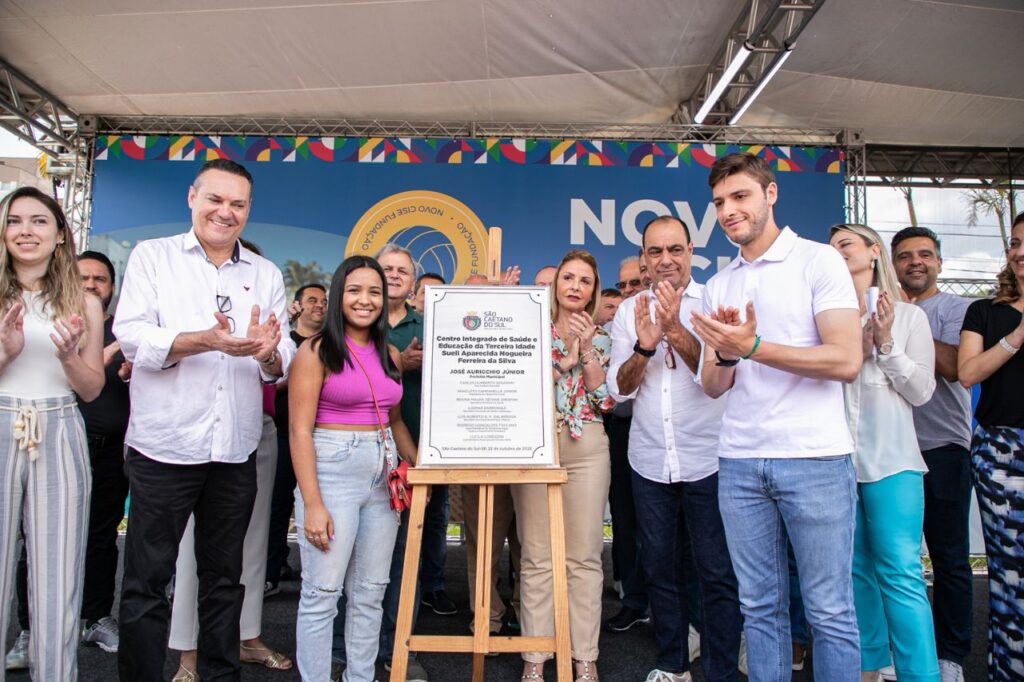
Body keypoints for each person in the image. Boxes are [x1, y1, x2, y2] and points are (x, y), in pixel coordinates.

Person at [114, 159, 291, 682]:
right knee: (147, 582)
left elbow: (280, 359)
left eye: (238, 204)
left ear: (248, 210)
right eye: (215, 199)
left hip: (234, 451)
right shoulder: (153, 257)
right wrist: (204, 341)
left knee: (224, 581)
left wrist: (266, 352)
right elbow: (132, 337)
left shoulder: (265, 273)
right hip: (164, 448)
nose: (225, 212)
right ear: (192, 198)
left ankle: (220, 675)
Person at [691, 152, 863, 681]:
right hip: (740, 462)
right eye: (719, 202)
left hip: (815, 458)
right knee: (759, 609)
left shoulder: (818, 261)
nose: (728, 210)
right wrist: (726, 354)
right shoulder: (720, 284)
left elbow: (846, 360)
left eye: (740, 196)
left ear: (770, 194)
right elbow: (713, 385)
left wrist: (753, 346)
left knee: (829, 611)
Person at [608, 217, 741, 682]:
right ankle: (672, 664)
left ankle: (722, 671)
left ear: (691, 252)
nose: (665, 260)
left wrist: (674, 329)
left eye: (675, 250)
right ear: (643, 259)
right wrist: (645, 347)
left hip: (709, 458)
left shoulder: (714, 302)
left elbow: (717, 380)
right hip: (649, 460)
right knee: (660, 568)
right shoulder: (629, 311)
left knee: (716, 572)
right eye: (655, 251)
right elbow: (619, 389)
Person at [169, 238, 293, 681]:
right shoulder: (196, 309)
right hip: (196, 432)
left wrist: (270, 353)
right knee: (193, 548)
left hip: (255, 430)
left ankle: (247, 636)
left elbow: (282, 363)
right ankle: (189, 650)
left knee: (253, 542)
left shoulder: (268, 305)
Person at [290, 255, 417, 682]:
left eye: (374, 292)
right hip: (331, 471)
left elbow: (394, 420)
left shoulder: (390, 353)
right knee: (322, 593)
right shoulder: (315, 351)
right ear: (338, 296)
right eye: (355, 290)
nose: (366, 300)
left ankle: (360, 677)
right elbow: (299, 431)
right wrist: (312, 503)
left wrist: (419, 466)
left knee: (370, 592)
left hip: (382, 474)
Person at [0, 187, 104, 679]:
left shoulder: (84, 302)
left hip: (60, 427)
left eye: (39, 221)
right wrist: (6, 352)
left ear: (60, 234)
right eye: (14, 220)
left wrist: (67, 356)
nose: (26, 230)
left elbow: (91, 389)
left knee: (58, 575)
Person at [829, 223, 940, 682]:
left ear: (874, 250)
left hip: (894, 464)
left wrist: (887, 344)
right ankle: (868, 668)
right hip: (837, 465)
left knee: (901, 574)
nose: (836, 252)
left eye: (845, 244)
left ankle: (921, 674)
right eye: (831, 248)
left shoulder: (910, 317)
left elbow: (922, 391)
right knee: (855, 574)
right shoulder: (827, 320)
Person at [332, 244, 437, 682]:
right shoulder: (351, 330)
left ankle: (399, 648)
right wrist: (401, 363)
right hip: (356, 459)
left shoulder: (431, 324)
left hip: (413, 456)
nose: (394, 276)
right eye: (386, 269)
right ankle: (342, 652)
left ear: (412, 284)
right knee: (345, 562)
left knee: (402, 561)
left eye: (402, 271)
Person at [513, 249, 615, 682]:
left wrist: (587, 351)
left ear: (593, 291)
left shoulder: (603, 337)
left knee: (585, 556)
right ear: (556, 285)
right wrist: (563, 363)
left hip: (586, 444)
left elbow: (604, 400)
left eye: (585, 281)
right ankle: (535, 656)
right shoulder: (527, 328)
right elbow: (517, 389)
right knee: (537, 556)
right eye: (569, 277)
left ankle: (584, 655)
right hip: (536, 443)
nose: (575, 286)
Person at [891, 226, 975, 682]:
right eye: (905, 256)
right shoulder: (882, 308)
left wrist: (905, 322)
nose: (915, 262)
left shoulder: (957, 309)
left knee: (949, 559)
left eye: (924, 254)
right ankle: (896, 652)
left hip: (943, 448)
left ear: (939, 262)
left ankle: (951, 655)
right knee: (893, 563)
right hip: (890, 454)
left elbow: (956, 367)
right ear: (892, 264)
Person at [957, 211, 1024, 681]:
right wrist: (1018, 335)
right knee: (1009, 574)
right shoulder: (984, 312)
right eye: (1015, 243)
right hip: (1001, 453)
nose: (1020, 252)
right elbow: (968, 373)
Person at [76, 250, 132, 654]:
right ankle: (30, 627)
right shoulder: (51, 327)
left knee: (101, 538)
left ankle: (96, 618)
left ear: (112, 288)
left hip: (110, 454)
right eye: (83, 277)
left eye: (100, 279)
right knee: (38, 541)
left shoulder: (126, 332)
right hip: (60, 448)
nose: (92, 285)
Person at [266, 282, 328, 595]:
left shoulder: (331, 345)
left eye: (324, 301)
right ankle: (269, 574)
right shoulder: (284, 343)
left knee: (320, 508)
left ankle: (319, 579)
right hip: (280, 435)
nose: (319, 305)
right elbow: (264, 381)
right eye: (312, 300)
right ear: (297, 305)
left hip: (320, 440)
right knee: (276, 507)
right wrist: (294, 379)